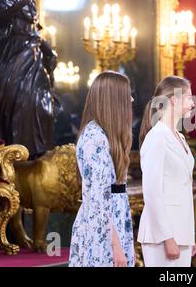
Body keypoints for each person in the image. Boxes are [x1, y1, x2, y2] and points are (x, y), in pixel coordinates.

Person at [0, 0, 57, 158]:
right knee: (22, 102)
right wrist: (15, 7)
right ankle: (16, 154)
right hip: (10, 56)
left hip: (32, 55)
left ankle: (36, 152)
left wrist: (47, 48)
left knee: (42, 102)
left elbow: (33, 28)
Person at [69, 71, 135, 267]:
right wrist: (116, 246)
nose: (131, 99)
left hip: (112, 225)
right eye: (127, 95)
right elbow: (99, 199)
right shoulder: (94, 138)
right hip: (103, 233)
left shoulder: (103, 135)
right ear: (114, 100)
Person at [137, 76, 196, 267]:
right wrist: (168, 237)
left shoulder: (178, 136)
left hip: (181, 233)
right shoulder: (157, 137)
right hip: (162, 237)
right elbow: (152, 192)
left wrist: (189, 236)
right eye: (188, 98)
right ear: (174, 100)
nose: (192, 104)